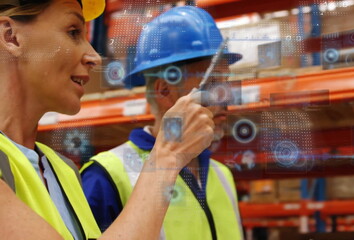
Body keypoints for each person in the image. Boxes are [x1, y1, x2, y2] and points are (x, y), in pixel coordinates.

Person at [0, 1, 214, 239]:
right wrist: (168, 155)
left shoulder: (64, 171)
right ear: (11, 37)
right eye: (73, 32)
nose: (94, 57)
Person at [80, 6, 244, 240]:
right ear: (165, 91)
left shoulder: (223, 176)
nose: (226, 97)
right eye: (214, 83)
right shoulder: (107, 176)